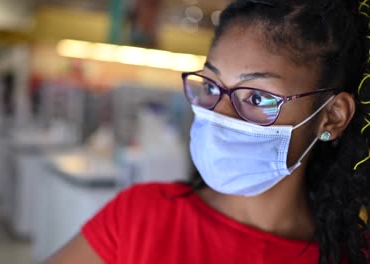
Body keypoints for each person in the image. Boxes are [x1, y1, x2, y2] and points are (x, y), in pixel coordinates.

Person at [47, 0, 370, 263]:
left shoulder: (354, 255)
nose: (219, 114)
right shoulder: (139, 218)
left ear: (332, 116)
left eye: (257, 97)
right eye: (212, 87)